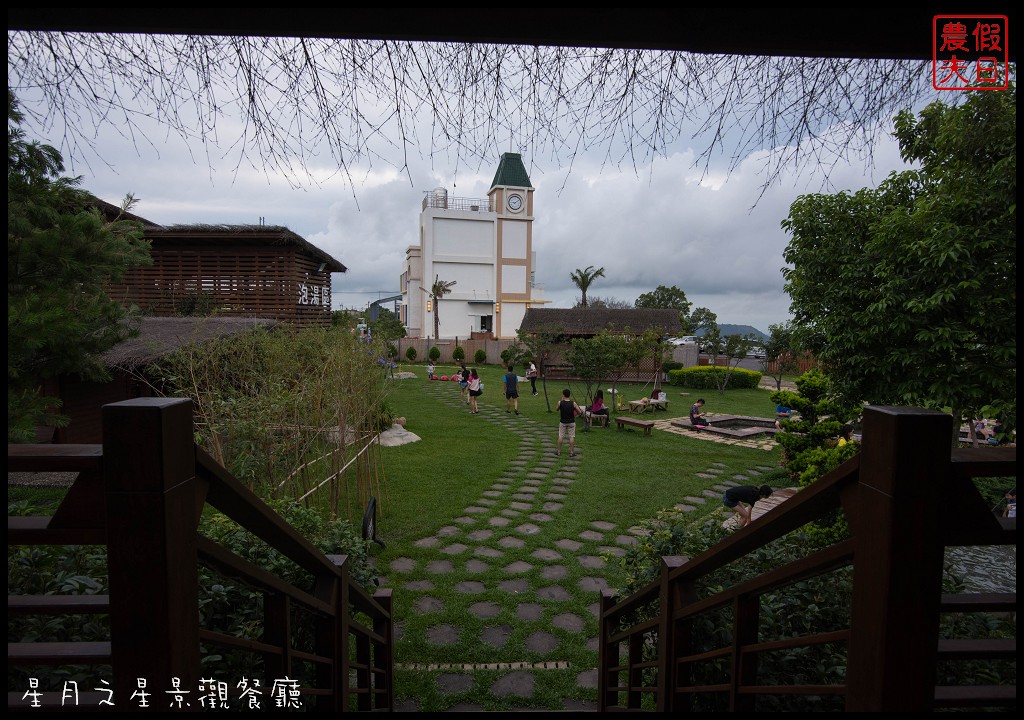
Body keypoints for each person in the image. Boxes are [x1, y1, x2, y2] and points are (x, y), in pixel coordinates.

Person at [556, 388, 583, 457]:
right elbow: (580, 412)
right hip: (571, 422)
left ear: (563, 395)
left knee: (561, 436)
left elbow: (557, 409)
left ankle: (558, 451)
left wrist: (561, 401)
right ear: (569, 395)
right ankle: (571, 452)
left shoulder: (560, 402)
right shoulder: (573, 403)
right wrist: (575, 413)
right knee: (571, 436)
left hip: (563, 422)